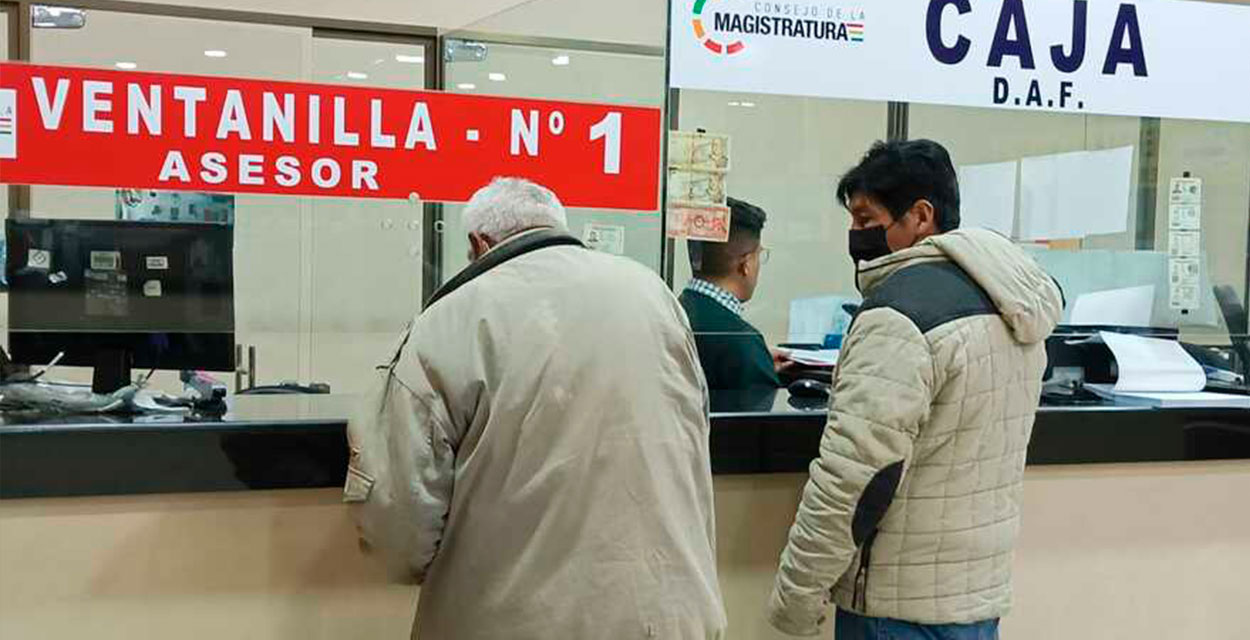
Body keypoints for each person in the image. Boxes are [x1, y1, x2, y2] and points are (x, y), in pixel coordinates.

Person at [344, 177, 727, 639]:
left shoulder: (452, 318)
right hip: (671, 618)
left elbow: (398, 528)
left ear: (477, 243)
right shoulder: (654, 294)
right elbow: (694, 428)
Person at [767, 140, 1063, 639]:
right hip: (975, 600)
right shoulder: (1010, 305)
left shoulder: (897, 314)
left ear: (921, 216)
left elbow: (853, 478)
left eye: (866, 220)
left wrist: (797, 594)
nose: (855, 235)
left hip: (896, 609)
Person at [680, 197, 790, 397]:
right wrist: (753, 361)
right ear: (746, 264)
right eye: (760, 255)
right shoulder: (742, 341)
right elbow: (764, 424)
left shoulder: (676, 311)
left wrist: (759, 361)